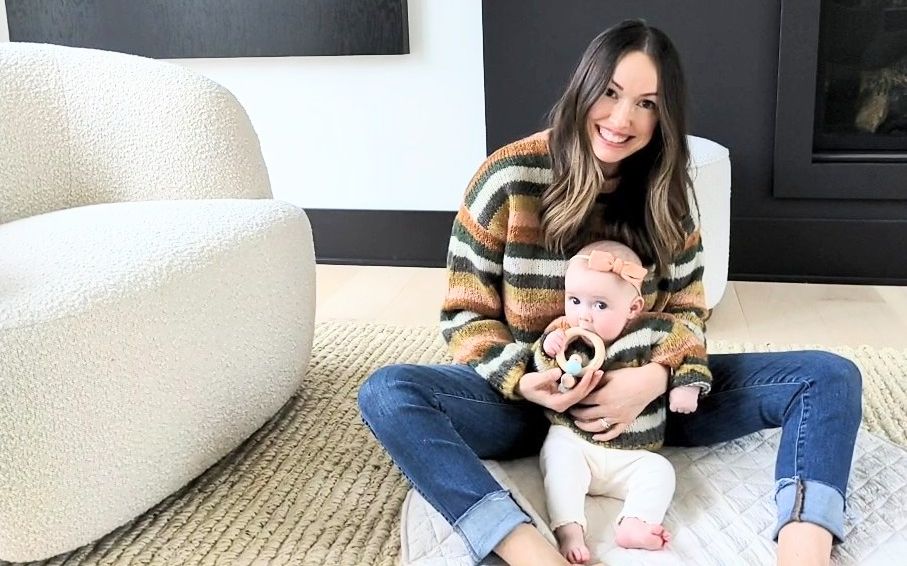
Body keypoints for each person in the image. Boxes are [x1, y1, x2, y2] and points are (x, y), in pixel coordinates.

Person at [358, 18, 862, 566]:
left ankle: (804, 552)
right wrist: (525, 382)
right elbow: (465, 315)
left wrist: (652, 379)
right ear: (584, 88)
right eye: (611, 93)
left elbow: (689, 313)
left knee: (829, 375)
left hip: (653, 409)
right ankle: (526, 550)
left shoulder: (667, 195)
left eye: (647, 103)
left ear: (664, 115)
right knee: (388, 392)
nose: (623, 119)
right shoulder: (507, 178)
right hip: (525, 406)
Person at [533, 239, 705, 563]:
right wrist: (547, 350)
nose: (584, 315)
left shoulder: (653, 330)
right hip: (578, 441)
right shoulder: (568, 334)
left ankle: (635, 523)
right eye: (575, 300)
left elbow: (689, 352)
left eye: (600, 305)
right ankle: (569, 528)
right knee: (557, 454)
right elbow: (546, 375)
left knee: (661, 471)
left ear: (634, 307)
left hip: (633, 455)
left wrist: (685, 386)